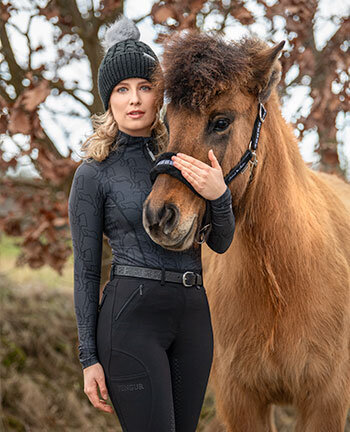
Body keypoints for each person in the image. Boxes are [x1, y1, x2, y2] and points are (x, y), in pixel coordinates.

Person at [68, 15, 235, 432]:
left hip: (194, 319)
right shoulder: (94, 174)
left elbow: (221, 243)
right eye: (122, 90)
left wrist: (219, 196)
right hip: (130, 322)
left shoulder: (183, 160)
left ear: (160, 95)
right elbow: (86, 272)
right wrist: (89, 358)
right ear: (109, 99)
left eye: (145, 87)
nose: (134, 99)